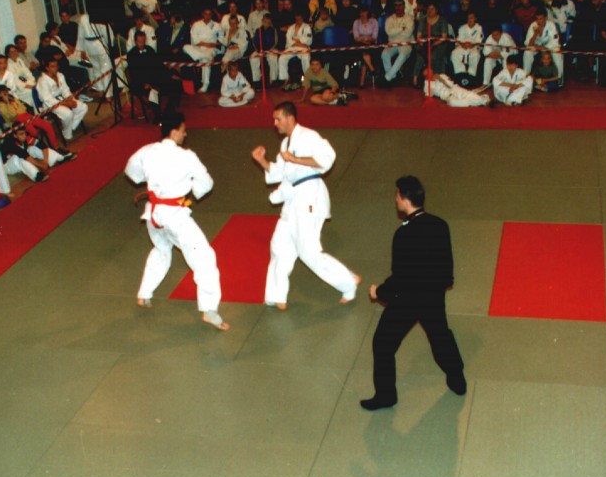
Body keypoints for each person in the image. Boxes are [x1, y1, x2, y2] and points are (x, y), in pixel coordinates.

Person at [362, 176, 466, 410]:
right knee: (440, 336)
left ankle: (386, 395)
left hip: (407, 301)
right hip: (433, 296)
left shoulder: (403, 235)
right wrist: (441, 287)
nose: (396, 200)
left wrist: (379, 292)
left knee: (383, 343)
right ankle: (456, 377)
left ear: (405, 199)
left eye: (397, 195)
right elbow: (446, 264)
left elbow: (400, 277)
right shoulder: (440, 224)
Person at [124, 112, 229, 330]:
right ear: (174, 132)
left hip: (153, 214)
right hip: (175, 217)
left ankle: (144, 293)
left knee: (162, 250)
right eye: (183, 130)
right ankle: (209, 309)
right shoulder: (186, 156)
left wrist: (153, 178)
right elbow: (206, 183)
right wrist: (194, 192)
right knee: (205, 257)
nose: (185, 134)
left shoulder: (146, 151)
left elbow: (132, 173)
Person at [250, 101, 360, 310]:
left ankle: (348, 281)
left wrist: (296, 159)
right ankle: (276, 295)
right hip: (292, 199)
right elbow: (279, 173)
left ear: (290, 118)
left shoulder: (309, 136)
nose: (275, 123)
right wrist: (262, 161)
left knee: (308, 252)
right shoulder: (285, 143)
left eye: (278, 119)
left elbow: (327, 159)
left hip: (309, 196)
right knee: (279, 245)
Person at [36, 58, 88, 140]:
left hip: (62, 99)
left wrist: (70, 99)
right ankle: (66, 133)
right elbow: (48, 99)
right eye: (52, 66)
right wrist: (66, 104)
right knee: (68, 114)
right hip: (49, 104)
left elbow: (65, 90)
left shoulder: (60, 75)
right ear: (47, 68)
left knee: (83, 107)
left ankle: (70, 126)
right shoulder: (43, 81)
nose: (55, 68)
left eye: (56, 66)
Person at [0, 126, 72, 183]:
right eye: (21, 134)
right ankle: (36, 175)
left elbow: (43, 145)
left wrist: (45, 161)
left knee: (32, 148)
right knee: (17, 157)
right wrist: (42, 166)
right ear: (15, 135)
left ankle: (59, 158)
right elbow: (25, 156)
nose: (24, 136)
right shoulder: (10, 143)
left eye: (24, 133)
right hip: (7, 166)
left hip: (21, 157)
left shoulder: (25, 137)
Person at [183, 8, 223, 94]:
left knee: (205, 60)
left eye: (209, 14)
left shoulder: (217, 25)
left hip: (211, 48)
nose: (207, 16)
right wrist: (205, 44)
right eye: (206, 14)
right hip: (199, 47)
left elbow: (221, 40)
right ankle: (206, 56)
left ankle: (205, 84)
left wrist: (213, 44)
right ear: (202, 14)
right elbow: (194, 41)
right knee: (185, 47)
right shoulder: (196, 24)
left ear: (211, 15)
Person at [522, 8, 563, 82]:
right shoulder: (533, 25)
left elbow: (555, 42)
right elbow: (528, 43)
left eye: (540, 19)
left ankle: (559, 77)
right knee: (527, 52)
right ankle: (526, 76)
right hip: (536, 47)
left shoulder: (551, 25)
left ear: (546, 18)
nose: (538, 21)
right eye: (537, 19)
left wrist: (545, 48)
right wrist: (535, 34)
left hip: (549, 47)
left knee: (557, 53)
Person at [380, 0, 414, 84]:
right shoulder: (390, 19)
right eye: (396, 5)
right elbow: (388, 32)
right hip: (392, 42)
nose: (398, 7)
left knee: (402, 55)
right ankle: (393, 76)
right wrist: (402, 28)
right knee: (384, 54)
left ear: (404, 6)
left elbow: (408, 33)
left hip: (405, 43)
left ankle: (387, 78)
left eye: (400, 5)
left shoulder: (409, 18)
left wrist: (395, 31)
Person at [279, 11, 312, 90]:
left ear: (302, 18)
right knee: (282, 57)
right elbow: (288, 39)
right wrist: (298, 42)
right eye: (297, 19)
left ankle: (307, 79)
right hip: (292, 47)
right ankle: (285, 78)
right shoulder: (291, 27)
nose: (298, 21)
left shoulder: (307, 27)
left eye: (300, 19)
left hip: (303, 48)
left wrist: (296, 40)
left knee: (305, 58)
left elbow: (308, 40)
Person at [450, 12, 484, 78]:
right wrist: (463, 44)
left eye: (471, 18)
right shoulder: (462, 27)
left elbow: (479, 40)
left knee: (475, 55)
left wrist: (472, 45)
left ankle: (471, 75)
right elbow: (459, 39)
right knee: (454, 53)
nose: (470, 19)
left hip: (474, 46)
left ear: (475, 19)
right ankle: (460, 73)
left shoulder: (479, 28)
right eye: (468, 18)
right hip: (462, 45)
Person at [425, 72, 491, 106]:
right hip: (447, 96)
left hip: (454, 89)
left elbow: (450, 85)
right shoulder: (427, 84)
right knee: (452, 102)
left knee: (467, 94)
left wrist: (441, 79)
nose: (429, 74)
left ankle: (485, 102)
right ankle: (480, 100)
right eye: (427, 73)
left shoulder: (442, 75)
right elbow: (428, 96)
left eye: (430, 71)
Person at [250, 13, 280, 85]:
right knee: (253, 58)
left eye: (268, 22)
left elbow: (275, 42)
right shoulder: (258, 30)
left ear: (270, 22)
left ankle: (273, 79)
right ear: (262, 21)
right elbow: (254, 42)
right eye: (265, 21)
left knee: (273, 58)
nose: (266, 24)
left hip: (270, 49)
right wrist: (259, 50)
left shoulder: (273, 30)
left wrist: (267, 51)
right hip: (259, 50)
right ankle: (256, 80)